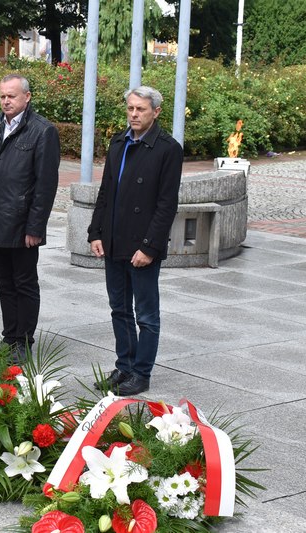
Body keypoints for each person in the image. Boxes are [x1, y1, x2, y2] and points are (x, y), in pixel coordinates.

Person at [87, 86, 183, 396]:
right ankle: (124, 366)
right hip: (114, 240)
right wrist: (95, 232)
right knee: (119, 309)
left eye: (140, 109)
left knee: (146, 315)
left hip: (142, 245)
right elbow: (106, 193)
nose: (134, 114)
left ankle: (141, 373)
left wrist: (149, 247)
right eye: (130, 108)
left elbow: (166, 205)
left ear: (156, 111)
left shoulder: (168, 149)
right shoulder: (118, 142)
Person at [0, 74, 60, 362]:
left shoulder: (43, 131)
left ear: (27, 97)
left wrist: (35, 226)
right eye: (2, 96)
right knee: (3, 282)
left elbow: (45, 185)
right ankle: (9, 337)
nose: (6, 101)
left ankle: (23, 341)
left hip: (22, 225)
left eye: (11, 96)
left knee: (24, 283)